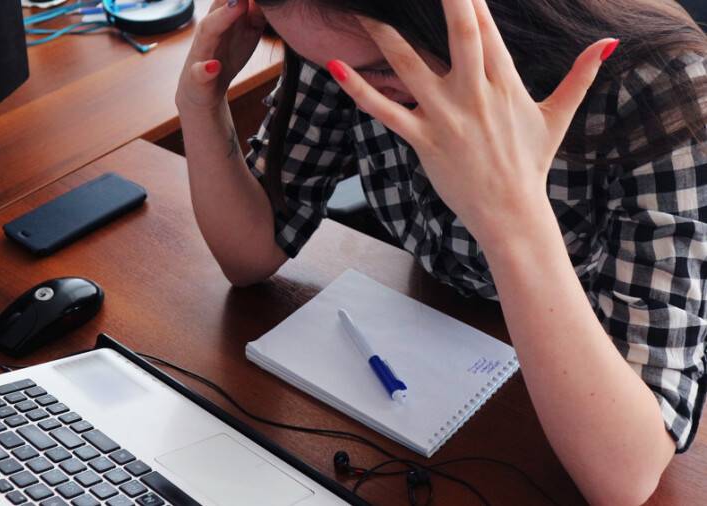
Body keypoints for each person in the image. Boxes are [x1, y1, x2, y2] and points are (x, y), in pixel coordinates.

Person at [175, 0, 707, 504]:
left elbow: (625, 475)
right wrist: (200, 103)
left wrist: (511, 212)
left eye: (382, 70)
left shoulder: (659, 84)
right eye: (332, 69)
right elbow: (249, 253)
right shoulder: (339, 48)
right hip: (449, 373)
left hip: (588, 377)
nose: (363, 95)